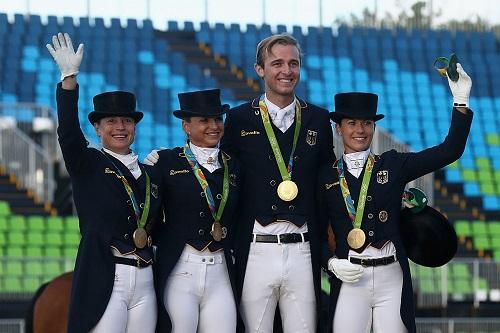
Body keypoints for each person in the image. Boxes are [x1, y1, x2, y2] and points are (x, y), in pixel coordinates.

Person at [318, 64, 473, 332]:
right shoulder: (324, 176)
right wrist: (330, 263)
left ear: (374, 127)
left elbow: (450, 150)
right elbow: (315, 230)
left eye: (367, 123)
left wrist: (461, 101)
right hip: (350, 277)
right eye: (352, 123)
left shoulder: (393, 165)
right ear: (338, 128)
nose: (360, 130)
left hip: (392, 276)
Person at [47, 32, 163, 333]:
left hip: (146, 277)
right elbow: (68, 134)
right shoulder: (87, 162)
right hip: (107, 275)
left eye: (126, 121)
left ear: (135, 126)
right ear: (97, 129)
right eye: (111, 122)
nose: (120, 127)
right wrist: (69, 80)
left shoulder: (150, 173)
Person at [220, 33, 335, 332]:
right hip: (256, 245)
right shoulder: (238, 118)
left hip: (302, 246)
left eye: (293, 63)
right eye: (277, 63)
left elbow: (329, 182)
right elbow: (224, 180)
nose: (287, 71)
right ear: (260, 69)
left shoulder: (319, 120)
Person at [151, 89, 242, 332]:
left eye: (217, 119)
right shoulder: (166, 162)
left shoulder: (235, 166)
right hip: (182, 270)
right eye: (204, 120)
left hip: (221, 271)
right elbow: (149, 214)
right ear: (186, 126)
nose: (213, 126)